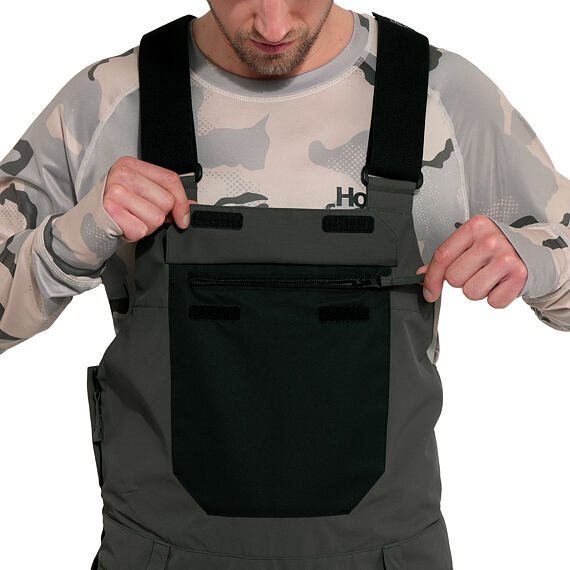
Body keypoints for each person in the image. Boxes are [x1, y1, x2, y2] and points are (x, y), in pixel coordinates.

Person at [0, 1, 568, 568]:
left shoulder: (440, 95)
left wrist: (534, 260)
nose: (273, 26)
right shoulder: (108, 100)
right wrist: (77, 235)